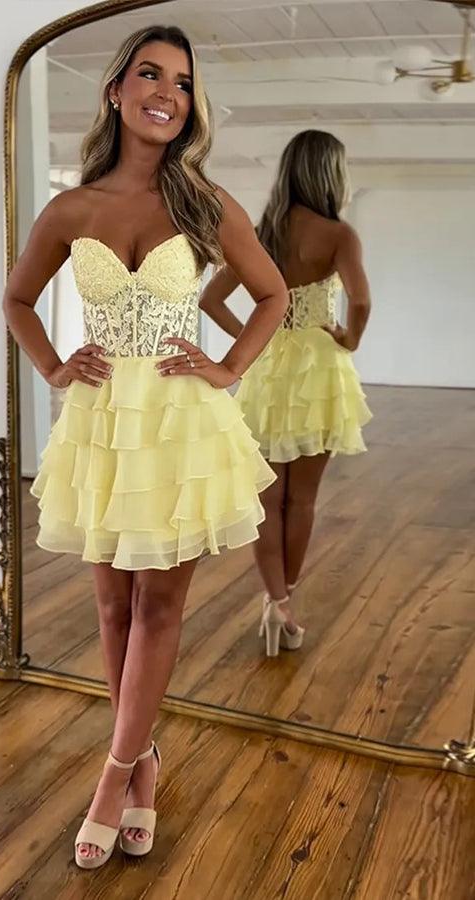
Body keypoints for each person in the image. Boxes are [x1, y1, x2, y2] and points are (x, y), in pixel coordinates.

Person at [3, 25, 288, 869]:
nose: (168, 93)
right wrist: (54, 364)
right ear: (116, 90)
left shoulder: (205, 202)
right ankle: (145, 758)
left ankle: (114, 774)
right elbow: (17, 299)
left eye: (183, 82)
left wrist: (228, 366)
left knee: (159, 606)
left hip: (177, 423)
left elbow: (272, 294)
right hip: (101, 422)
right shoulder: (71, 209)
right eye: (151, 74)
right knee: (111, 607)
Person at [199, 129, 372, 658]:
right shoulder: (339, 235)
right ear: (332, 174)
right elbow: (361, 302)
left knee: (267, 498)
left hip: (269, 368)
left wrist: (254, 338)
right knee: (303, 500)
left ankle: (274, 599)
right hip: (318, 370)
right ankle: (286, 601)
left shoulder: (262, 233)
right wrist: (349, 339)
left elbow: (211, 300)